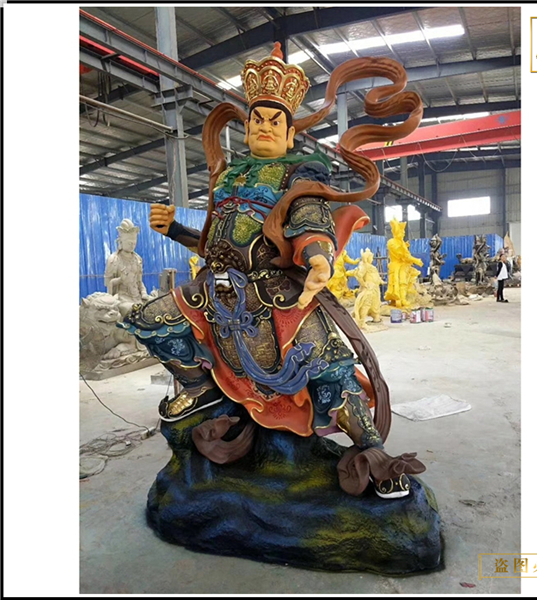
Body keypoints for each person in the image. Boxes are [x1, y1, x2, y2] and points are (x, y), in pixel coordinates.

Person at [120, 43, 426, 499]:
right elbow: (214, 243)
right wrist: (175, 230)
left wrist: (318, 257)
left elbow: (308, 218)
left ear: (289, 133)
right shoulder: (228, 177)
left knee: (329, 368)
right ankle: (199, 387)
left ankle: (373, 452)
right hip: (214, 290)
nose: (264, 126)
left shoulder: (296, 175)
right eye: (257, 120)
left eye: (274, 121)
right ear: (246, 128)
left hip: (276, 292)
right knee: (148, 319)